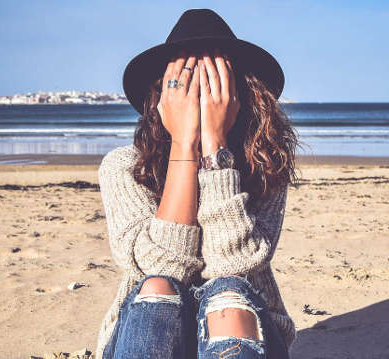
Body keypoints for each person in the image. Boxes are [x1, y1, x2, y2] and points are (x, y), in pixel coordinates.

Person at [95, 8, 300, 359]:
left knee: (228, 295)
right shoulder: (123, 167)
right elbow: (162, 268)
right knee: (158, 286)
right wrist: (183, 141)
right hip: (147, 332)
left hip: (242, 328)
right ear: (163, 96)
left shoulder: (265, 164)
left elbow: (235, 267)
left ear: (239, 92)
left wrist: (215, 147)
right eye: (186, 83)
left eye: (214, 81)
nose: (200, 94)